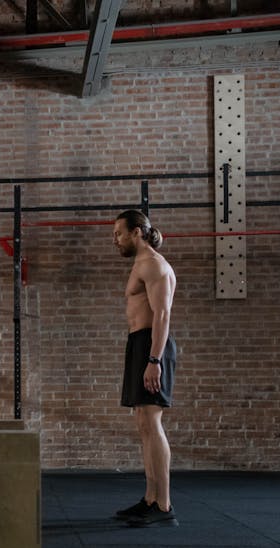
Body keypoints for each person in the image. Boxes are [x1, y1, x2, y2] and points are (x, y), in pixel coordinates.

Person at [111, 209, 178, 527]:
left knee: (152, 422)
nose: (116, 240)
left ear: (137, 232)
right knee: (144, 424)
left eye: (119, 233)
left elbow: (162, 315)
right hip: (140, 344)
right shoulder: (141, 264)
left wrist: (154, 360)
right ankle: (150, 498)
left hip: (153, 346)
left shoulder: (153, 264)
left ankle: (164, 506)